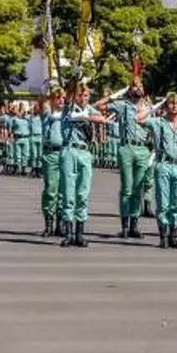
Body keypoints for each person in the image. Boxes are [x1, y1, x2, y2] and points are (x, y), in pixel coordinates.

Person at [95, 80, 152, 240]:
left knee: (138, 189)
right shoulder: (123, 105)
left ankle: (134, 224)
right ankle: (125, 226)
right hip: (127, 147)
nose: (138, 88)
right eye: (134, 86)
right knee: (127, 188)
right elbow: (98, 106)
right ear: (129, 89)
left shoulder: (149, 108)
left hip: (143, 149)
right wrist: (116, 94)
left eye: (140, 85)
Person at [138, 93, 177, 249]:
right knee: (163, 203)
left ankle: (173, 236)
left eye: (176, 103)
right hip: (163, 164)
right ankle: (163, 236)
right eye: (170, 103)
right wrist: (155, 106)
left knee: (176, 204)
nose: (174, 106)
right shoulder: (158, 122)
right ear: (166, 105)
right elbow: (139, 119)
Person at [59, 83, 107, 248]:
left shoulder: (89, 110)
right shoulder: (69, 108)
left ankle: (79, 234)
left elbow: (102, 119)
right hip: (70, 150)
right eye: (80, 95)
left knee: (82, 193)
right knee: (68, 193)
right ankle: (68, 233)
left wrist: (87, 117)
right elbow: (67, 100)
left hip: (84, 152)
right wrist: (74, 81)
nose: (83, 98)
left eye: (86, 95)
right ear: (74, 96)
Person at [39, 88, 65, 237]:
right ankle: (48, 224)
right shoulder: (47, 113)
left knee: (63, 191)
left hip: (64, 153)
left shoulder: (67, 114)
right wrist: (45, 88)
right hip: (50, 154)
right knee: (50, 190)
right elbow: (41, 101)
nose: (61, 100)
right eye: (58, 98)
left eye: (63, 98)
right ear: (52, 100)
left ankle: (60, 224)